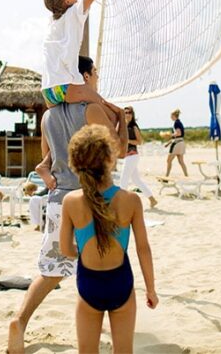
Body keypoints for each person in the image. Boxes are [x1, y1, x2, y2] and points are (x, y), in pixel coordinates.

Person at [7, 55, 128, 354]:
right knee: (105, 268)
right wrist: (123, 121)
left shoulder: (48, 116)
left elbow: (46, 160)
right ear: (85, 77)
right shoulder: (92, 109)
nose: (97, 78)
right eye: (95, 73)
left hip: (59, 199)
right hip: (92, 200)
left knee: (51, 271)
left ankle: (20, 322)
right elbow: (120, 152)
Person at [60, 124, 158, 354]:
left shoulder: (71, 202)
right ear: (110, 159)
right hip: (121, 283)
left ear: (75, 163)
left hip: (88, 284)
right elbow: (143, 249)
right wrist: (151, 290)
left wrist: (83, 252)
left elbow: (65, 249)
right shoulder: (131, 200)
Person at [41, 0, 115, 117]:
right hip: (66, 85)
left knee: (63, 123)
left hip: (48, 91)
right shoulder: (74, 12)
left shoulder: (54, 19)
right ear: (68, 0)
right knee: (111, 113)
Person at [119, 107, 158, 209]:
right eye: (125, 112)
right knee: (136, 180)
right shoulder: (123, 126)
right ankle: (152, 200)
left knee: (123, 179)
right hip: (128, 156)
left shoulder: (134, 127)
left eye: (129, 112)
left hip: (132, 155)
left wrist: (128, 141)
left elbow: (139, 142)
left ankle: (121, 204)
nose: (127, 114)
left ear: (132, 114)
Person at [165, 109, 188, 177]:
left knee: (169, 160)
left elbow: (178, 133)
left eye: (171, 115)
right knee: (181, 161)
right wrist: (168, 143)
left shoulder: (176, 123)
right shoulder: (179, 122)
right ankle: (186, 175)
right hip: (181, 142)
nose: (170, 117)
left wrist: (169, 135)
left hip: (177, 144)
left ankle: (166, 176)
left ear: (174, 115)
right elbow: (179, 135)